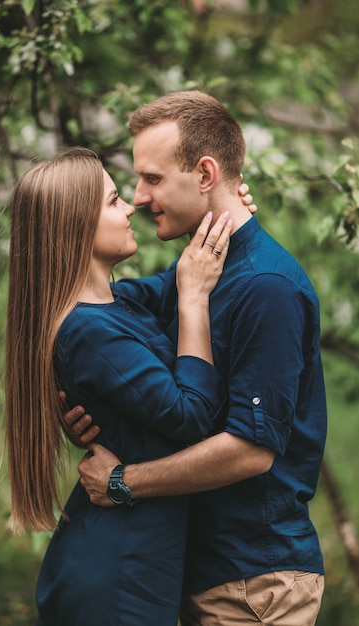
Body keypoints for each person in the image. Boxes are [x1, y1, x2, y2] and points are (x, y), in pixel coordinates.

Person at [68, 91, 327, 626]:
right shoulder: (200, 271)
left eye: (153, 178)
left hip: (257, 585)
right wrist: (81, 392)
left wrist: (123, 483)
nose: (139, 197)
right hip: (202, 571)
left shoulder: (266, 287)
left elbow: (251, 452)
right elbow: (114, 312)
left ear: (205, 173)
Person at [4, 145, 247, 625]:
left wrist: (220, 214)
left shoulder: (116, 305)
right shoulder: (89, 333)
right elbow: (193, 416)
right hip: (117, 574)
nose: (131, 206)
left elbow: (177, 278)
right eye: (113, 201)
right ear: (76, 227)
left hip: (137, 559)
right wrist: (193, 303)